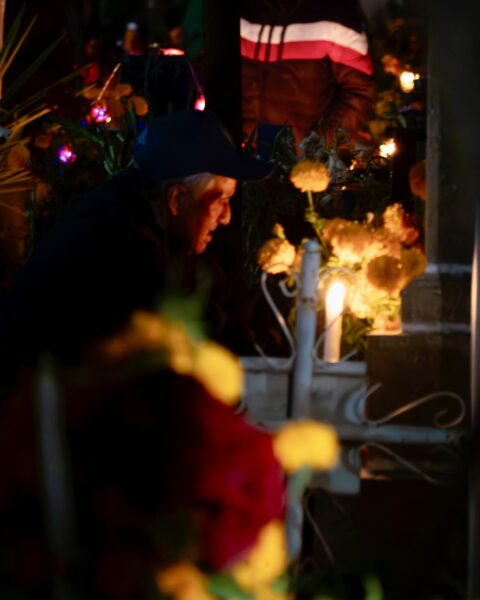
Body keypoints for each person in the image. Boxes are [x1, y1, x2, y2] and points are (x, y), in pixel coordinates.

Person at [0, 109, 271, 384]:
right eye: (220, 200)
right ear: (176, 198)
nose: (226, 217)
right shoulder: (118, 247)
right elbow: (168, 347)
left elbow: (216, 284)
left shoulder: (152, 214)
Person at [241, 0, 376, 148]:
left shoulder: (336, 13)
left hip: (301, 163)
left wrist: (316, 148)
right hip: (233, 156)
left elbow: (360, 92)